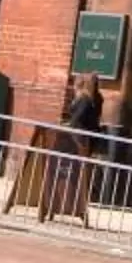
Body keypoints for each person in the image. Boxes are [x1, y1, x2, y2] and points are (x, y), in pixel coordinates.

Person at [39, 74, 105, 223]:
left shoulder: (84, 100)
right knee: (77, 173)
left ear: (79, 85)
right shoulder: (92, 98)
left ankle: (69, 204)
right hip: (84, 140)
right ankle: (62, 205)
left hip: (78, 141)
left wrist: (67, 126)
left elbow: (77, 120)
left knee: (73, 173)